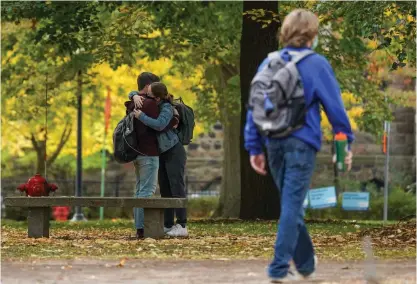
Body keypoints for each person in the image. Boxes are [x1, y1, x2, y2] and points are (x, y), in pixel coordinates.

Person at [244, 9, 354, 282]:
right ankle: (278, 269)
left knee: (290, 204)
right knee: (292, 206)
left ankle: (305, 265)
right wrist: (345, 142)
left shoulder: (268, 62)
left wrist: (254, 147)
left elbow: (255, 106)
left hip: (273, 142)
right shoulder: (316, 64)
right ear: (312, 34)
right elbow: (335, 109)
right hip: (302, 142)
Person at [126, 72, 178, 239]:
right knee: (147, 192)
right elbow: (161, 125)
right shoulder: (150, 104)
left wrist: (133, 94)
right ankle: (143, 229)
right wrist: (173, 120)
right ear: (148, 86)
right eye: (155, 84)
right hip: (149, 153)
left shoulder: (134, 102)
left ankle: (139, 228)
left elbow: (130, 101)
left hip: (137, 152)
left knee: (139, 190)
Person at [133, 82, 188, 237]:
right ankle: (168, 224)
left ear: (157, 97)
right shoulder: (155, 103)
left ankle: (182, 224)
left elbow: (159, 125)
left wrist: (141, 116)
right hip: (162, 153)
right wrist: (134, 95)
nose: (146, 96)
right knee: (165, 189)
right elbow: (135, 93)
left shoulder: (167, 108)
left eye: (149, 95)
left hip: (174, 151)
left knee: (176, 187)